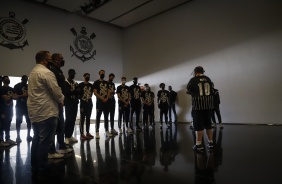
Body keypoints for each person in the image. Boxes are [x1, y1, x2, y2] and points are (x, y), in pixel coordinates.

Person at [27, 50, 64, 175]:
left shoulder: (32, 72)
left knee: (37, 139)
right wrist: (61, 100)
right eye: (50, 59)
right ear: (44, 60)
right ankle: (42, 166)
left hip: (35, 111)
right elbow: (56, 90)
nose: (51, 61)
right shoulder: (46, 73)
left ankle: (35, 165)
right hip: (46, 111)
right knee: (45, 141)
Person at [48, 53, 72, 155]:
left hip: (60, 101)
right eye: (60, 59)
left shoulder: (59, 71)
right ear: (54, 60)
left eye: (62, 58)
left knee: (60, 125)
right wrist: (60, 100)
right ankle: (51, 149)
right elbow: (55, 88)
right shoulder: (52, 70)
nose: (62, 60)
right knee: (54, 126)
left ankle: (61, 144)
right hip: (56, 102)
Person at [186, 66, 214, 151]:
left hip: (198, 106)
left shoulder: (193, 80)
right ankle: (211, 142)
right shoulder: (208, 79)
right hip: (208, 106)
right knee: (208, 125)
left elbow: (188, 90)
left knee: (198, 126)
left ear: (196, 72)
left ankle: (199, 144)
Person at [14, 75, 32, 143]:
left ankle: (28, 135)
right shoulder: (17, 86)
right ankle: (18, 136)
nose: (26, 80)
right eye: (24, 79)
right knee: (18, 122)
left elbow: (31, 95)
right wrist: (23, 96)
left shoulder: (29, 86)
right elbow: (14, 96)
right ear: (21, 79)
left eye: (27, 79)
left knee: (29, 122)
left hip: (27, 106)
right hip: (19, 107)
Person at [93, 70, 111, 138]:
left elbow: (109, 91)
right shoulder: (96, 82)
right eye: (101, 73)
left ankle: (106, 130)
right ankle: (97, 131)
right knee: (98, 117)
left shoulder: (107, 82)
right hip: (99, 102)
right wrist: (102, 98)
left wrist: (106, 98)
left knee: (106, 117)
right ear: (99, 73)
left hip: (106, 102)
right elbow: (95, 92)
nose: (103, 74)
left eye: (103, 73)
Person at [0, 76, 17, 145]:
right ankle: (1, 140)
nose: (8, 79)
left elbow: (16, 97)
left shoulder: (11, 89)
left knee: (8, 124)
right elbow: (6, 99)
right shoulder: (1, 89)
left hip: (10, 109)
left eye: (8, 78)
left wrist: (10, 97)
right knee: (2, 125)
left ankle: (8, 139)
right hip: (2, 109)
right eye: (6, 78)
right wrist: (11, 96)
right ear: (3, 80)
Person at [64, 69, 79, 144]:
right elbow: (66, 92)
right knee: (68, 120)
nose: (73, 75)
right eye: (72, 73)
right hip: (68, 103)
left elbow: (79, 91)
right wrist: (74, 91)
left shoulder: (75, 83)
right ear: (69, 73)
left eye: (74, 74)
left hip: (75, 103)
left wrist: (73, 91)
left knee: (73, 120)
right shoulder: (65, 82)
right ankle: (66, 136)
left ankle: (70, 135)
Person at [78, 73, 94, 140]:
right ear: (83, 77)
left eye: (88, 76)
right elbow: (78, 94)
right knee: (82, 119)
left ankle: (87, 132)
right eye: (86, 76)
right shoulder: (80, 85)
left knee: (88, 118)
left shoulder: (91, 85)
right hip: (83, 104)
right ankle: (82, 134)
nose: (87, 77)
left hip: (89, 103)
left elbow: (91, 94)